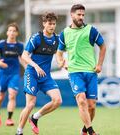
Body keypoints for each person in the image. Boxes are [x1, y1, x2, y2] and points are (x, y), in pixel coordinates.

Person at [56, 4, 106, 135]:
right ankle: (91, 131)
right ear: (72, 15)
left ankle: (84, 129)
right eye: (79, 14)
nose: (81, 17)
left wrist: (100, 64)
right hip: (75, 72)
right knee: (81, 100)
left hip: (91, 72)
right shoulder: (64, 33)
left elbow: (103, 46)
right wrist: (61, 62)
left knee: (92, 105)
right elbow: (59, 53)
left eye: (83, 15)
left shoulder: (91, 30)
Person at [16, 12, 62, 135]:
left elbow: (59, 55)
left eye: (54, 24)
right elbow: (25, 55)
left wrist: (62, 62)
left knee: (57, 100)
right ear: (44, 24)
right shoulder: (36, 38)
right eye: (49, 23)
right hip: (32, 74)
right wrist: (35, 66)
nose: (52, 26)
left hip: (46, 76)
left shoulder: (57, 39)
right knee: (30, 104)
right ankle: (19, 131)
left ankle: (35, 117)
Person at [0, 22, 25, 126]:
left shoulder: (20, 46)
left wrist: (27, 67)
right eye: (10, 30)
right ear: (7, 32)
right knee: (1, 96)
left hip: (14, 73)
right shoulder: (1, 44)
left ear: (17, 33)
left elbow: (22, 58)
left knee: (12, 95)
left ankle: (9, 119)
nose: (12, 33)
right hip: (3, 74)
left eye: (14, 31)